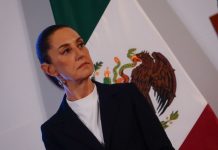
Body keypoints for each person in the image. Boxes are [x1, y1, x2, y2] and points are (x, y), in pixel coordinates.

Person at [36, 24, 174, 150]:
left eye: (80, 44)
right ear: (50, 69)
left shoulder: (128, 95)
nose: (80, 54)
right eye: (66, 50)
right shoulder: (53, 131)